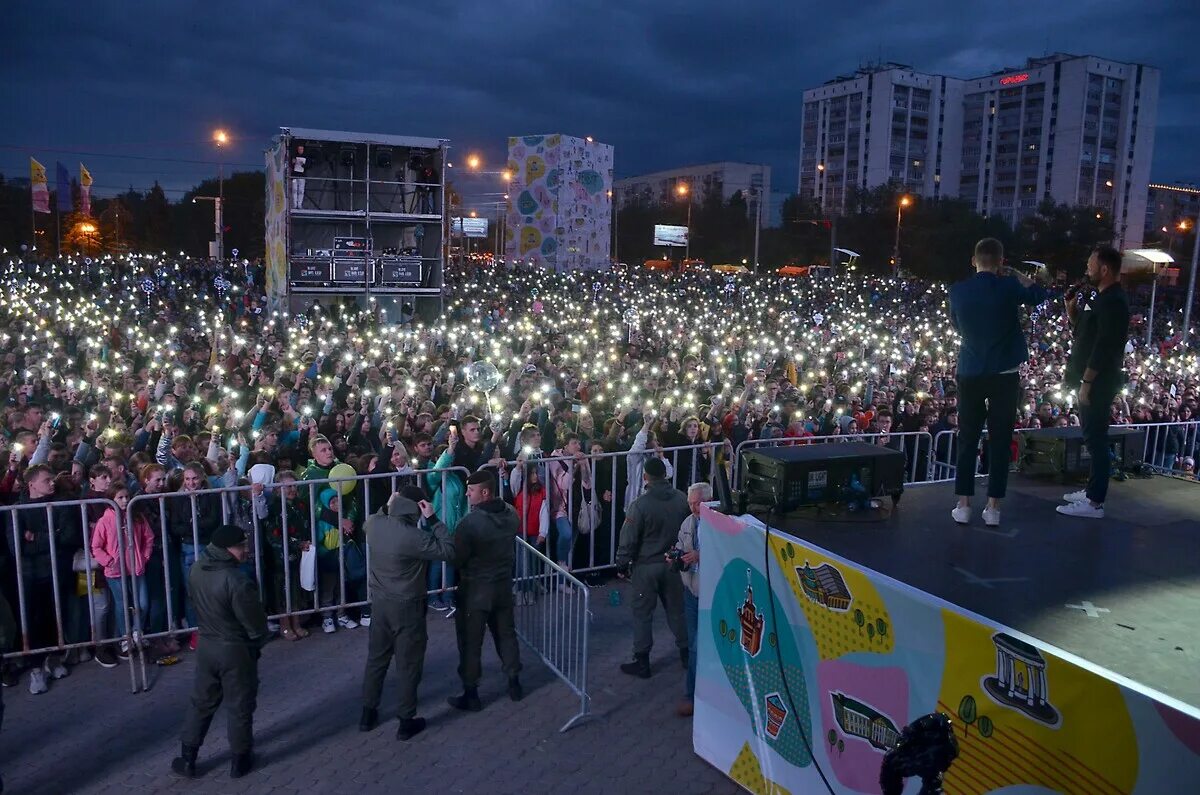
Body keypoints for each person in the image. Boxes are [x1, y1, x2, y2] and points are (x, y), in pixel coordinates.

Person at [948, 238, 1049, 526]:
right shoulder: (1009, 286)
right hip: (1005, 372)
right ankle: (993, 508)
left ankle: (964, 504)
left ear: (973, 260)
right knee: (1001, 438)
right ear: (1002, 262)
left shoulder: (958, 290)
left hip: (970, 369)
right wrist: (1020, 276)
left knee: (967, 437)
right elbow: (1040, 295)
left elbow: (956, 325)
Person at [171, 524, 269, 780]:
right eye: (241, 546)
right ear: (227, 549)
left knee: (201, 702)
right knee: (239, 705)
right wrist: (258, 643)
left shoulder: (196, 569)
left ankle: (188, 756)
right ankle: (240, 759)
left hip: (206, 645)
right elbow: (254, 622)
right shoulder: (236, 580)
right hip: (234, 649)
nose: (246, 550)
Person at [358, 486, 455, 740]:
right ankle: (406, 719)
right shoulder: (415, 537)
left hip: (380, 602)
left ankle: (368, 713)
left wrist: (387, 506)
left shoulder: (375, 524)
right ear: (418, 507)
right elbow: (449, 550)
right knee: (408, 663)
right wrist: (433, 519)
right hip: (408, 605)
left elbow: (371, 521)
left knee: (376, 659)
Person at [1058, 245, 1130, 519]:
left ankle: (1095, 502)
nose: (1086, 269)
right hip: (1088, 379)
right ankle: (1091, 491)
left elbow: (1104, 346)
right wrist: (1071, 309)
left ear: (1104, 269)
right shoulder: (1100, 298)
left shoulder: (1114, 302)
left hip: (1098, 381)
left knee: (1096, 439)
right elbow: (1084, 332)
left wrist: (1087, 382)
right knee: (1091, 435)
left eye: (1090, 265)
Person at [446, 470, 523, 712]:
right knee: (506, 634)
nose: (467, 494)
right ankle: (514, 682)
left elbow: (457, 558)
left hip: (476, 590)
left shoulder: (469, 524)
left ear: (485, 492)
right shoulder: (511, 514)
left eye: (471, 490)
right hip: (502, 585)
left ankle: (471, 693)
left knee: (470, 642)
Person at [615, 457, 690, 679]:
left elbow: (628, 539)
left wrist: (621, 562)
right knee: (677, 611)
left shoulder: (639, 505)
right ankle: (687, 653)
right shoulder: (681, 499)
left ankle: (642, 660)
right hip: (673, 564)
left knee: (642, 614)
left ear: (646, 476)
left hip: (646, 567)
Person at [671, 482, 710, 717]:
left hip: (708, 594)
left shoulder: (718, 525)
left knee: (696, 648)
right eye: (691, 503)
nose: (694, 508)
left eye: (698, 503)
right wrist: (676, 555)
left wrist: (700, 556)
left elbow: (723, 552)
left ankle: (691, 695)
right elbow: (680, 544)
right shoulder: (687, 523)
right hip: (690, 592)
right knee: (694, 644)